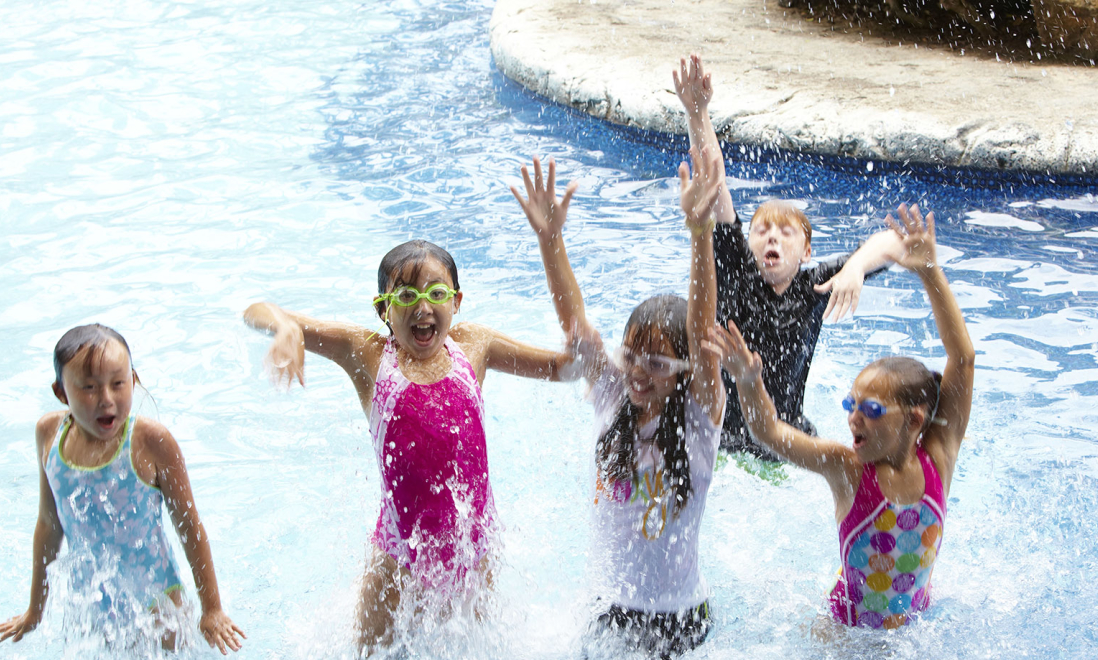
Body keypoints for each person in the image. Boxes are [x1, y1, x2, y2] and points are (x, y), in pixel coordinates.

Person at [242, 240, 576, 651]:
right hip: (397, 573)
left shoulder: (475, 345)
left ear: (456, 301)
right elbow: (254, 311)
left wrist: (550, 239)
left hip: (474, 562)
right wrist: (287, 326)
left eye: (436, 294)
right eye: (405, 296)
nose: (422, 308)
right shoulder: (367, 354)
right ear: (383, 309)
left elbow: (565, 368)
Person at [704, 204, 975, 630]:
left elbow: (963, 357)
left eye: (870, 410)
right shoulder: (847, 468)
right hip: (843, 636)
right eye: (852, 406)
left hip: (912, 627)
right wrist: (747, 379)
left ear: (915, 420)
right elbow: (767, 431)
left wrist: (929, 273)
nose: (853, 420)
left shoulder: (939, 458)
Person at [511, 151, 725, 658]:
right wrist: (550, 240)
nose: (637, 371)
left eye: (656, 363)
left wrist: (701, 234)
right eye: (631, 355)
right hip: (607, 608)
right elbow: (574, 322)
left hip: (679, 617)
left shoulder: (699, 417)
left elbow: (701, 330)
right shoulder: (612, 395)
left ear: (685, 372)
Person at [673, 54, 906, 461]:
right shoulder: (737, 270)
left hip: (786, 442)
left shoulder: (817, 284)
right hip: (724, 443)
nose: (771, 239)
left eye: (785, 232)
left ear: (807, 251)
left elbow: (897, 243)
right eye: (761, 231)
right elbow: (716, 182)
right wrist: (698, 113)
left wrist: (855, 266)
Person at [0, 324, 245, 654]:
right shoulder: (49, 434)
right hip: (91, 611)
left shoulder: (151, 442)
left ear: (134, 380)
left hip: (159, 612)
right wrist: (35, 611)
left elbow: (189, 525)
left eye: (118, 383)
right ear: (61, 392)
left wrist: (212, 609)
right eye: (89, 387)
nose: (106, 399)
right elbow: (48, 525)